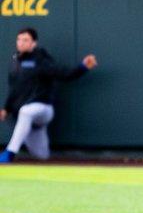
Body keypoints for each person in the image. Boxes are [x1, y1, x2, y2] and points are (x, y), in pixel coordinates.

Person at [0, 27, 97, 163]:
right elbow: (14, 89)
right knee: (42, 156)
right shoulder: (14, 61)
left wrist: (83, 67)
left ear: (34, 43)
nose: (21, 43)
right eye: (19, 39)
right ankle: (30, 135)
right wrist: (6, 108)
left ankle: (9, 153)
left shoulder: (41, 59)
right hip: (28, 120)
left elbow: (64, 74)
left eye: (25, 40)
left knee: (26, 111)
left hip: (43, 109)